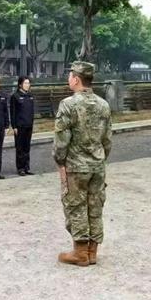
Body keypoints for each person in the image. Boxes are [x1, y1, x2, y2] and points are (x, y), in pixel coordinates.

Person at [54, 61, 112, 267]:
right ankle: (92, 252)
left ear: (76, 80)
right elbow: (107, 140)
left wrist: (60, 162)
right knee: (95, 205)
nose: (68, 78)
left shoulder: (68, 104)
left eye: (70, 75)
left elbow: (61, 140)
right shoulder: (104, 105)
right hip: (98, 165)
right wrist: (100, 158)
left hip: (76, 166)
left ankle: (80, 252)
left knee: (76, 206)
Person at [10, 75, 36, 174]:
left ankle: (26, 167)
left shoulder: (30, 96)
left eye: (28, 83)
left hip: (29, 125)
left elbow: (32, 111)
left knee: (27, 147)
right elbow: (13, 112)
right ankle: (20, 168)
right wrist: (14, 126)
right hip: (19, 126)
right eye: (25, 83)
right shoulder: (15, 96)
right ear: (20, 84)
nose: (27, 85)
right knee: (20, 148)